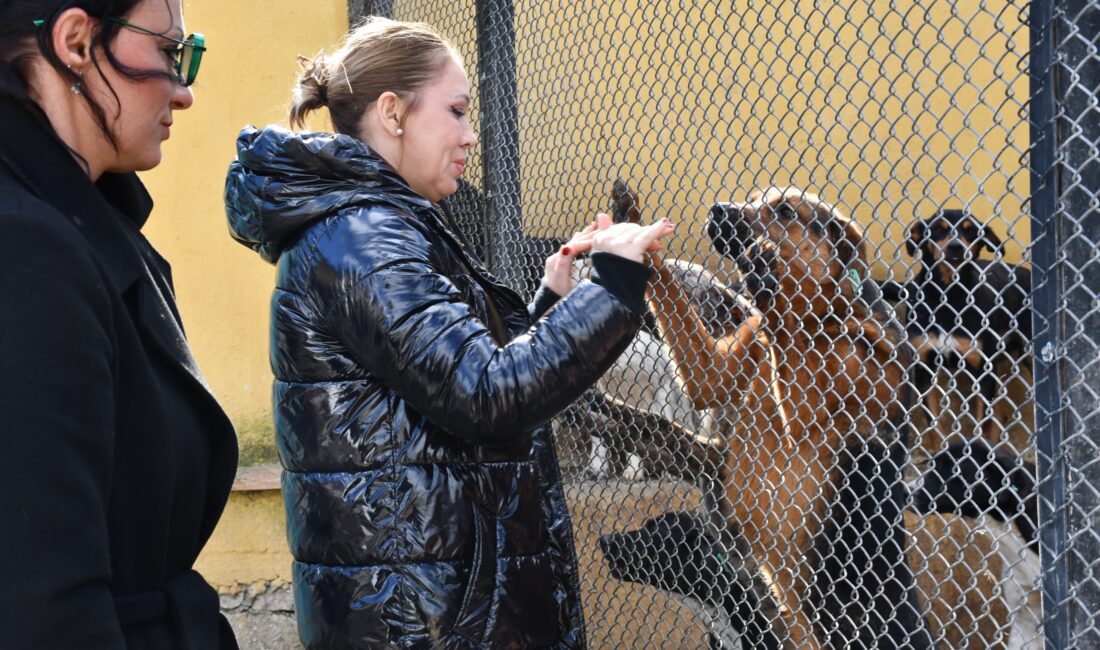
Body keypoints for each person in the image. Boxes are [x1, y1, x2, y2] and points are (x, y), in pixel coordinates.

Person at [225, 17, 674, 649]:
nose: (470, 137)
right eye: (457, 112)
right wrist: (615, 285)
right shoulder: (366, 240)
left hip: (429, 604)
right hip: (422, 620)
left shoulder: (377, 227)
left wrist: (555, 304)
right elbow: (487, 393)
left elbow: (446, 390)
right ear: (393, 113)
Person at [0, 1, 238, 648]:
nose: (184, 92)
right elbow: (43, 611)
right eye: (168, 53)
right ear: (76, 42)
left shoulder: (79, 223)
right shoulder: (25, 248)